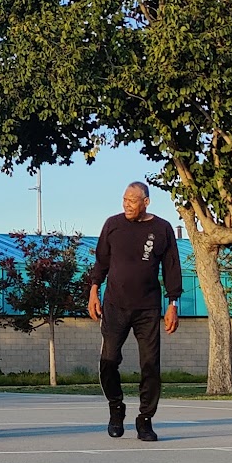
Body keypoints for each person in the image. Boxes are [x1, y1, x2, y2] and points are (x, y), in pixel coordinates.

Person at [84, 182, 182, 441]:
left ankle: (145, 420)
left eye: (132, 200)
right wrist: (94, 291)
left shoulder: (162, 228)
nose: (126, 204)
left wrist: (173, 305)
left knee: (150, 365)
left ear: (146, 202)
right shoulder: (113, 224)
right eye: (124, 199)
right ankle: (116, 408)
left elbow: (172, 267)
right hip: (114, 305)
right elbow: (101, 261)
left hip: (148, 308)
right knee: (108, 361)